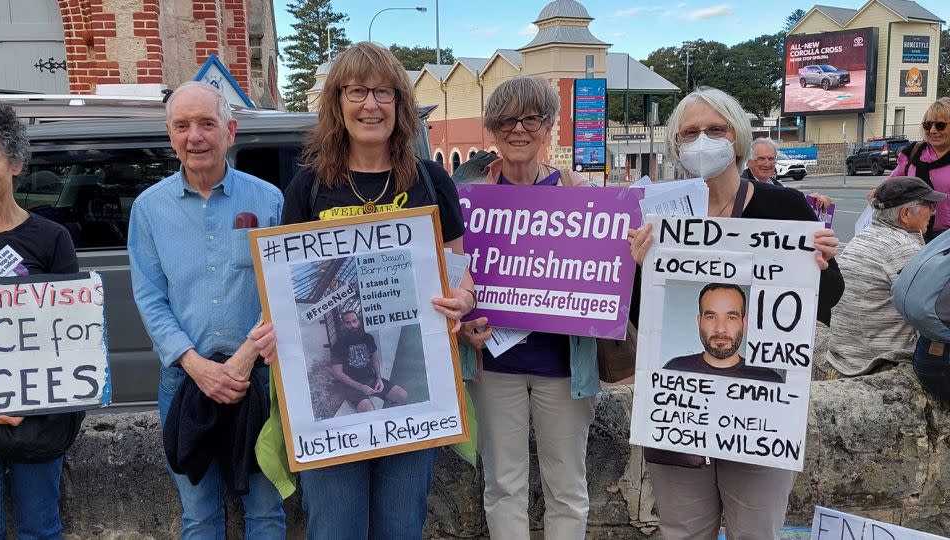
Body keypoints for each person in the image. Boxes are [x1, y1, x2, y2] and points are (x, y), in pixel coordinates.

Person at [263, 42, 475, 539]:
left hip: (419, 394)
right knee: (334, 529)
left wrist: (463, 299)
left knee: (401, 529)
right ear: (338, 103)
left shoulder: (432, 180)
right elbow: (283, 287)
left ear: (399, 104)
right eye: (357, 91)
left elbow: (457, 271)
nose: (370, 105)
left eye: (383, 92)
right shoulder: (308, 187)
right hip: (328, 426)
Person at [627, 86, 843, 540]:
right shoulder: (657, 216)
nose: (703, 140)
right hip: (679, 416)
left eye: (715, 129)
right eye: (691, 132)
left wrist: (822, 260)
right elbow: (640, 317)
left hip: (761, 418)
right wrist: (639, 268)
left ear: (738, 139)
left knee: (756, 532)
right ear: (676, 145)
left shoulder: (783, 206)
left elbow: (823, 300)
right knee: (682, 530)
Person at [128, 81, 286, 538]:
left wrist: (243, 359)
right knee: (198, 514)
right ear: (170, 134)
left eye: (206, 124)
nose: (194, 136)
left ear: (230, 131)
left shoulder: (268, 200)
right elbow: (150, 297)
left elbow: (280, 288)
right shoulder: (149, 208)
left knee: (265, 511)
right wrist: (195, 364)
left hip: (256, 376)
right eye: (182, 126)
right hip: (183, 380)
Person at [457, 75, 599, 540]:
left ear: (548, 126)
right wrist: (461, 325)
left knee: (568, 491)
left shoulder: (584, 195)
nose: (518, 130)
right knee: (503, 486)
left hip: (564, 365)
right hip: (495, 366)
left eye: (530, 119)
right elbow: (450, 277)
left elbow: (611, 278)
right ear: (492, 131)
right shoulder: (467, 200)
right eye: (505, 121)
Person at [0, 100, 81, 540]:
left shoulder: (51, 238)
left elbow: (71, 336)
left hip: (37, 417)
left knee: (40, 530)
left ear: (15, 163)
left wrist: (27, 403)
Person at [818, 177, 945, 379]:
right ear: (905, 214)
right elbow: (931, 310)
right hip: (875, 360)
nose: (933, 211)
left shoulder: (864, 236)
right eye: (929, 206)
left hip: (846, 351)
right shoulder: (902, 248)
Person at [665, 283, 782, 383]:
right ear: (699, 321)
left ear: (744, 323)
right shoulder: (674, 369)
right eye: (711, 317)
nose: (720, 329)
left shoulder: (769, 380)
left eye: (731, 317)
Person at [884, 97, 950, 241]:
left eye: (940, 125)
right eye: (928, 125)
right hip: (911, 235)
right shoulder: (914, 152)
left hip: (946, 239)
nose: (933, 131)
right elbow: (890, 185)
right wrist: (877, 193)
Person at [330, 310, 408, 413]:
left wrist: (379, 378)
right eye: (348, 323)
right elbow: (337, 373)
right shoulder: (339, 345)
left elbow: (374, 359)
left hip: (370, 379)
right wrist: (360, 386)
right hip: (351, 386)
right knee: (369, 411)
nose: (352, 325)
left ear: (359, 321)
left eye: (354, 321)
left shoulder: (368, 338)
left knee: (403, 396)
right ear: (344, 325)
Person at [742, 137, 831, 209]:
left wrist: (813, 200)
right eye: (761, 159)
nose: (767, 164)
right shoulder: (739, 185)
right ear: (750, 161)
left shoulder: (776, 185)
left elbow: (789, 199)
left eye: (771, 159)